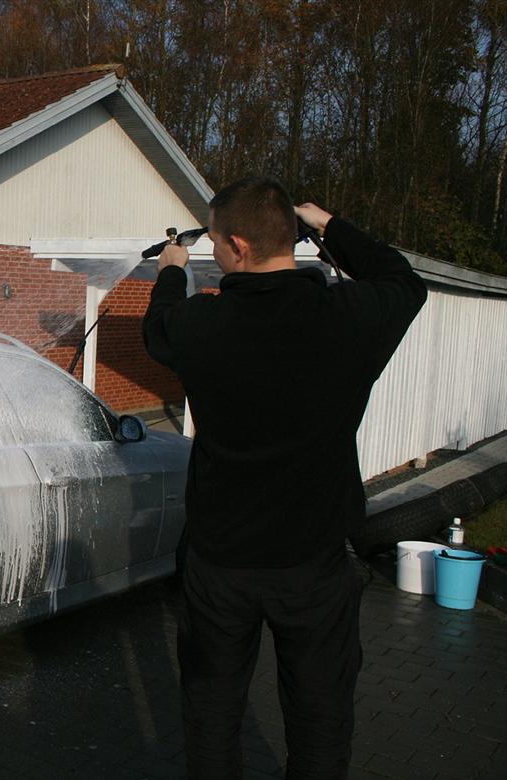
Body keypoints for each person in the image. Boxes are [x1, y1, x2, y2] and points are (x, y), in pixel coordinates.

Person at [141, 176, 427, 778]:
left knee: (213, 716)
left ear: (238, 246)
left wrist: (172, 265)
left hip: (221, 565)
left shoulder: (199, 325)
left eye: (215, 243)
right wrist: (328, 224)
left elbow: (157, 323)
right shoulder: (350, 316)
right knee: (321, 722)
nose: (213, 253)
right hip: (315, 564)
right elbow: (403, 279)